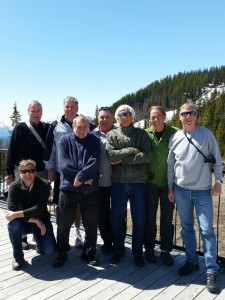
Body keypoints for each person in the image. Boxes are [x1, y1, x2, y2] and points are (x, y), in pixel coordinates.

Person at [167, 102, 223, 294]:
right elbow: (170, 165)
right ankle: (192, 261)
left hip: (203, 191)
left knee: (207, 230)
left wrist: (218, 182)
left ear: (196, 115)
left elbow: (216, 159)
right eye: (184, 113)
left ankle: (211, 270)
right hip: (181, 190)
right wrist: (170, 187)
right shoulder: (175, 137)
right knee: (187, 228)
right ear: (180, 117)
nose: (188, 116)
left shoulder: (206, 134)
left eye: (192, 113)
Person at [105, 104, 151, 267]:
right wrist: (132, 150)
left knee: (139, 220)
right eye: (121, 114)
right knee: (116, 219)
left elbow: (146, 156)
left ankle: (137, 253)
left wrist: (122, 159)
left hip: (138, 183)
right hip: (118, 183)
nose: (125, 117)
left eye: (127, 114)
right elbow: (110, 155)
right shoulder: (111, 134)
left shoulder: (142, 134)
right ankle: (118, 250)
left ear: (132, 116)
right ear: (117, 118)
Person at [53, 116, 101, 268]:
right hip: (68, 188)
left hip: (90, 189)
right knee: (63, 222)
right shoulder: (64, 141)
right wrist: (81, 178)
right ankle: (62, 252)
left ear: (89, 127)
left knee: (91, 223)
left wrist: (80, 177)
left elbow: (94, 162)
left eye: (85, 127)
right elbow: (64, 164)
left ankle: (89, 253)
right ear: (73, 127)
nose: (81, 130)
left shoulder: (95, 141)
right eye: (78, 127)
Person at [6, 100, 50, 250]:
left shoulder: (46, 128)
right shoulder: (20, 128)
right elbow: (11, 151)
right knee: (21, 202)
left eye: (38, 111)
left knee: (38, 202)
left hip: (41, 170)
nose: (36, 114)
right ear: (28, 112)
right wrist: (9, 173)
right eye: (33, 111)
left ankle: (38, 233)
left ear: (42, 112)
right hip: (23, 170)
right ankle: (23, 237)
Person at [44, 96, 83, 248]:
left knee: (78, 205)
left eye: (72, 107)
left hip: (79, 174)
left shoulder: (84, 124)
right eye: (67, 106)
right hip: (61, 173)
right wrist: (50, 169)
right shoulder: (55, 125)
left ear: (77, 109)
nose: (70, 109)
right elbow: (50, 149)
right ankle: (62, 235)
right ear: (63, 107)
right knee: (61, 205)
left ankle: (77, 233)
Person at [4, 159, 56, 270]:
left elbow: (39, 209)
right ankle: (18, 257)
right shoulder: (14, 186)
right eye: (24, 171)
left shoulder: (44, 184)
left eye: (31, 170)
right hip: (31, 223)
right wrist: (36, 220)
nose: (28, 174)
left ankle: (38, 240)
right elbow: (11, 208)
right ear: (20, 173)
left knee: (49, 251)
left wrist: (15, 214)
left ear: (35, 172)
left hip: (42, 221)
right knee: (13, 225)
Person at [145, 106, 178, 265]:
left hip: (168, 185)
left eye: (158, 116)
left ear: (164, 117)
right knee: (149, 219)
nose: (155, 119)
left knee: (167, 219)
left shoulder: (175, 133)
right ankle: (149, 250)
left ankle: (165, 251)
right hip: (150, 183)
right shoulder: (145, 133)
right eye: (153, 117)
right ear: (149, 119)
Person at [91, 106, 116, 253]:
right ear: (98, 119)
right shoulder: (92, 135)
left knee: (119, 214)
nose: (104, 119)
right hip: (100, 182)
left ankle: (119, 243)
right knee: (103, 214)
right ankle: (107, 243)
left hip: (118, 181)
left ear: (112, 118)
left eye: (107, 117)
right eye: (102, 117)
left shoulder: (119, 133)